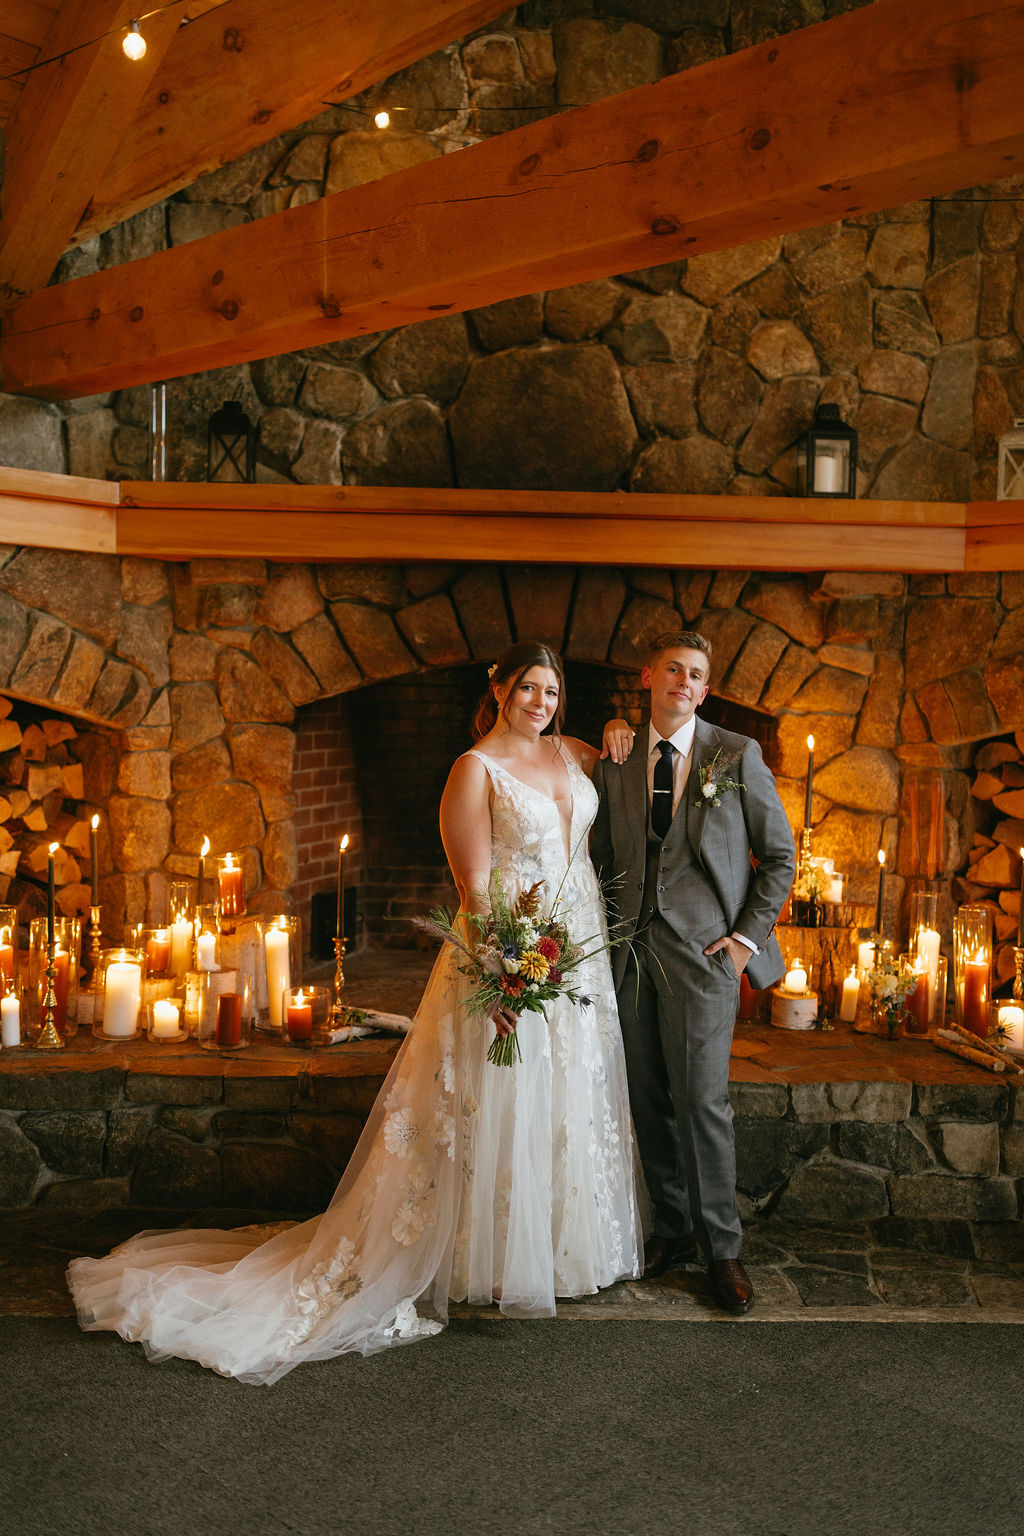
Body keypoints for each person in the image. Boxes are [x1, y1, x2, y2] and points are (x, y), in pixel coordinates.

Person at [67, 642, 643, 1384]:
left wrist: (622, 724)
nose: (541, 702)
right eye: (528, 687)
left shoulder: (572, 752)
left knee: (568, 1088)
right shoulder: (473, 769)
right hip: (511, 949)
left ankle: (564, 1248)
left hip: (577, 947)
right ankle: (493, 1257)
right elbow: (473, 889)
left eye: (552, 691)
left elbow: (622, 758)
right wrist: (500, 975)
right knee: (505, 1092)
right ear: (499, 688)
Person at [591, 630, 795, 1315]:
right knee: (647, 1097)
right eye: (673, 669)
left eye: (696, 674)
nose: (684, 681)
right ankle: (673, 1229)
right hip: (629, 951)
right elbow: (602, 856)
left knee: (702, 1101)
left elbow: (780, 857)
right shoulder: (618, 758)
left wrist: (743, 943)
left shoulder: (736, 754)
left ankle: (722, 1250)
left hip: (706, 955)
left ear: (705, 690)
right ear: (648, 677)